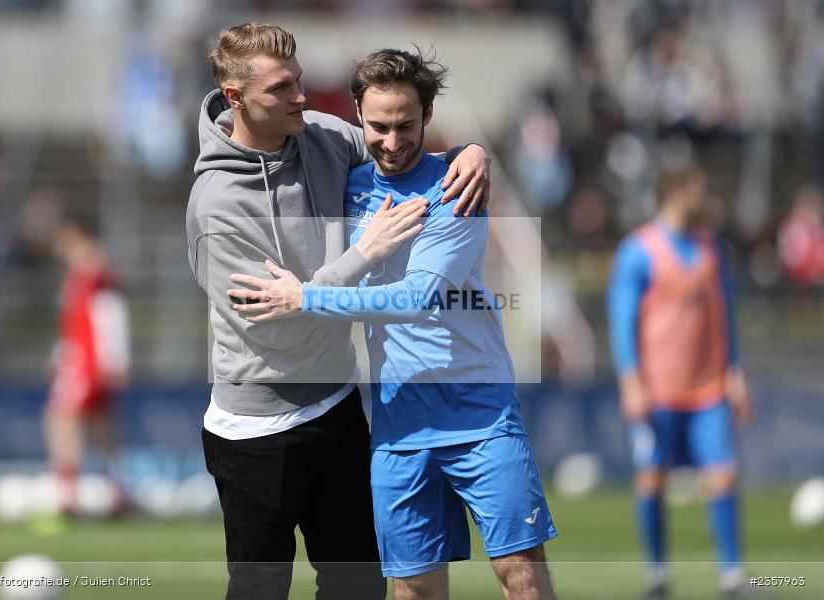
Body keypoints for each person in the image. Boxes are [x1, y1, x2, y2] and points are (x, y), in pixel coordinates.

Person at [228, 48, 557, 600]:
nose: (393, 141)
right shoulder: (347, 186)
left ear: (427, 115)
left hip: (480, 415)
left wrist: (303, 298)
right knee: (413, 591)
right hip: (398, 426)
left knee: (522, 579)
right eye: (378, 126)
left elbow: (416, 297)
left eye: (406, 125)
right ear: (357, 114)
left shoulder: (456, 186)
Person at [186, 23, 491, 600]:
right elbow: (273, 327)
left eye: (298, 80)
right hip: (256, 430)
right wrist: (363, 255)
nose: (301, 96)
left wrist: (469, 152)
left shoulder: (321, 134)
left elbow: (397, 146)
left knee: (358, 588)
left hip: (336, 407)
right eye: (281, 88)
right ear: (236, 98)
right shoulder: (216, 205)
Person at [607, 164, 755, 598]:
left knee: (723, 477)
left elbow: (723, 315)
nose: (705, 199)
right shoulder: (640, 250)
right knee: (652, 479)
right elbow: (622, 321)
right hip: (657, 392)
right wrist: (631, 381)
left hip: (708, 389)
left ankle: (733, 578)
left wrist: (735, 372)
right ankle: (657, 576)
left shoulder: (711, 247)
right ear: (675, 191)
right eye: (698, 190)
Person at [45, 215, 130, 515]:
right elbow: (78, 320)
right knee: (101, 423)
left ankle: (67, 496)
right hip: (84, 358)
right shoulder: (83, 270)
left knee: (61, 419)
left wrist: (115, 357)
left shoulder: (94, 267)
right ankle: (117, 489)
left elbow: (109, 311)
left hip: (89, 362)